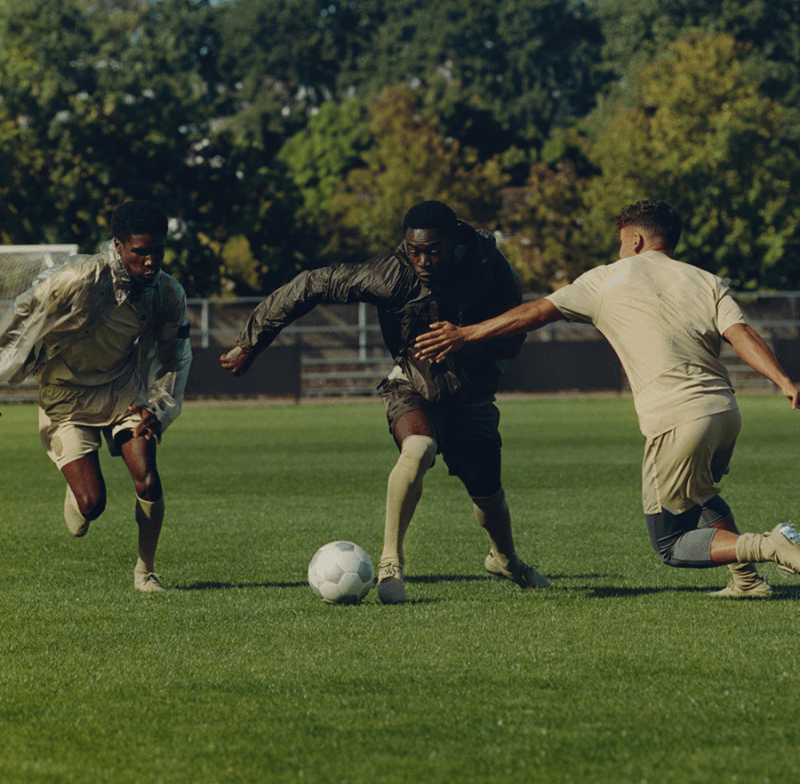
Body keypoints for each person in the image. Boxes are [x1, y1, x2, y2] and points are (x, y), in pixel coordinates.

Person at [415, 199, 800, 599]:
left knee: (670, 543)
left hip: (676, 420)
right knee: (701, 494)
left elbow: (535, 312)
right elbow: (741, 335)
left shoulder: (607, 279)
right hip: (725, 412)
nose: (619, 249)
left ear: (634, 239)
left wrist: (465, 334)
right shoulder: (705, 280)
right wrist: (784, 380)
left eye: (620, 241)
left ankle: (770, 545)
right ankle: (748, 581)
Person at [220, 199, 549, 603]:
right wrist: (251, 343)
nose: (423, 260)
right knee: (419, 446)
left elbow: (518, 321)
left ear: (453, 243)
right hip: (411, 383)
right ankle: (391, 562)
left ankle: (506, 560)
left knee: (488, 494)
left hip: (471, 393)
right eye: (414, 251)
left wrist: (470, 344)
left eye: (433, 250)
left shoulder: (488, 265)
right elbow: (310, 284)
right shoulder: (389, 275)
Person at [0, 200, 192, 592]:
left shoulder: (167, 293)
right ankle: (78, 492)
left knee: (147, 478)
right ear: (119, 246)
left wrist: (159, 407)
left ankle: (146, 572)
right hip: (65, 395)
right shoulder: (78, 278)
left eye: (158, 251)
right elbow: (19, 322)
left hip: (123, 390)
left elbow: (174, 357)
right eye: (141, 251)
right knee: (92, 505)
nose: (151, 261)